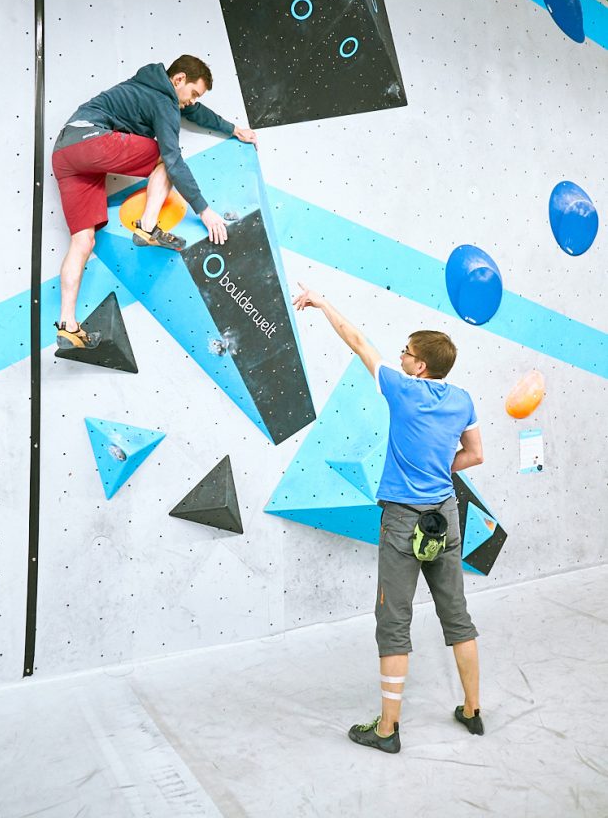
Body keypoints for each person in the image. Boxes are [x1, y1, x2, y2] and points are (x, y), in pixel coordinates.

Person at [293, 283, 485, 755]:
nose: (400, 357)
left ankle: (387, 730)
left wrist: (322, 302)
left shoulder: (400, 389)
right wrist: (441, 467)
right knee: (456, 615)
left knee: (393, 621)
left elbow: (357, 340)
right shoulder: (462, 399)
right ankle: (473, 711)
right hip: (446, 515)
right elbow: (475, 455)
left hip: (403, 520)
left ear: (420, 366)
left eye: (406, 352)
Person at [52, 55, 257, 349]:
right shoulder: (164, 101)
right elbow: (173, 159)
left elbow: (196, 113)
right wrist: (205, 211)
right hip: (88, 139)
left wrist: (233, 129)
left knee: (83, 242)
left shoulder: (149, 87)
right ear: (178, 80)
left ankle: (68, 326)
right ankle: (147, 226)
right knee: (166, 157)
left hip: (66, 154)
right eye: (193, 94)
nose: (190, 102)